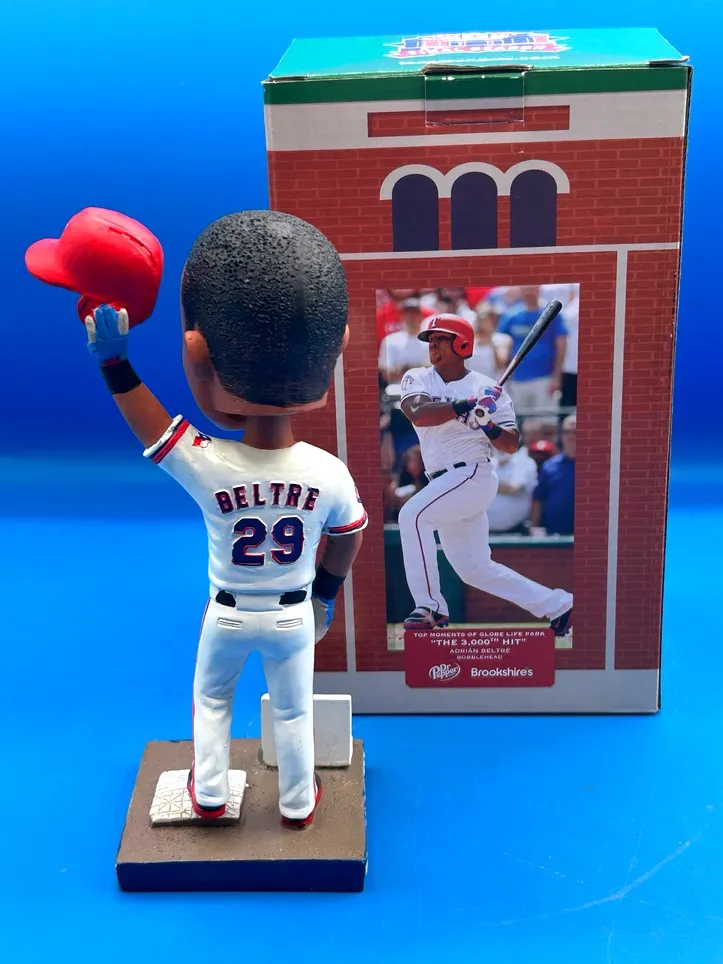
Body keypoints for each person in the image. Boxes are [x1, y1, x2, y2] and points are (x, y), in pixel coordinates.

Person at [26, 208, 367, 830]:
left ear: (198, 352)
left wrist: (114, 363)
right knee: (294, 712)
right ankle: (297, 803)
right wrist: (325, 594)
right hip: (294, 613)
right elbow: (348, 537)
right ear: (337, 348)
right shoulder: (330, 472)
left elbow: (154, 430)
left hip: (229, 612)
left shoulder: (211, 463)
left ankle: (209, 794)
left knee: (212, 700)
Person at [396, 312, 573, 640]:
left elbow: (510, 444)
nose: (432, 345)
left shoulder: (488, 389)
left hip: (472, 475)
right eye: (430, 340)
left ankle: (431, 606)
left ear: (462, 344)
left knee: (412, 516)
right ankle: (559, 605)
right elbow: (418, 414)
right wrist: (466, 404)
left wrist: (487, 423)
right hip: (443, 483)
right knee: (474, 569)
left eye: (441, 339)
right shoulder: (418, 377)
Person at [497, 285, 567, 417]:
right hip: (517, 379)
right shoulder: (511, 315)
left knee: (545, 422)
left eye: (533, 288)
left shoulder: (550, 313)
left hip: (544, 378)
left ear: (539, 289)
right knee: (518, 421)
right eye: (526, 288)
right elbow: (501, 342)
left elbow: (561, 344)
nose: (529, 292)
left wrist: (556, 377)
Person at [531, 414, 576, 536]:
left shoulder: (591, 466)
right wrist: (534, 525)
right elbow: (538, 498)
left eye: (575, 432)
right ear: (561, 436)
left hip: (585, 534)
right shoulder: (550, 466)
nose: (571, 436)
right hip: (554, 533)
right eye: (567, 432)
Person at [378, 297, 432, 385]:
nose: (411, 317)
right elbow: (387, 373)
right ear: (402, 317)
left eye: (414, 313)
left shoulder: (430, 340)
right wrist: (421, 367)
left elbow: (435, 371)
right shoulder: (390, 340)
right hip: (397, 388)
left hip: (426, 387)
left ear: (421, 316)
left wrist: (403, 368)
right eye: (408, 314)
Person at [487, 447, 539, 533]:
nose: (501, 447)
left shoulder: (524, 462)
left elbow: (514, 488)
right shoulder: (488, 464)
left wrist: (484, 483)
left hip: (517, 530)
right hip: (486, 531)